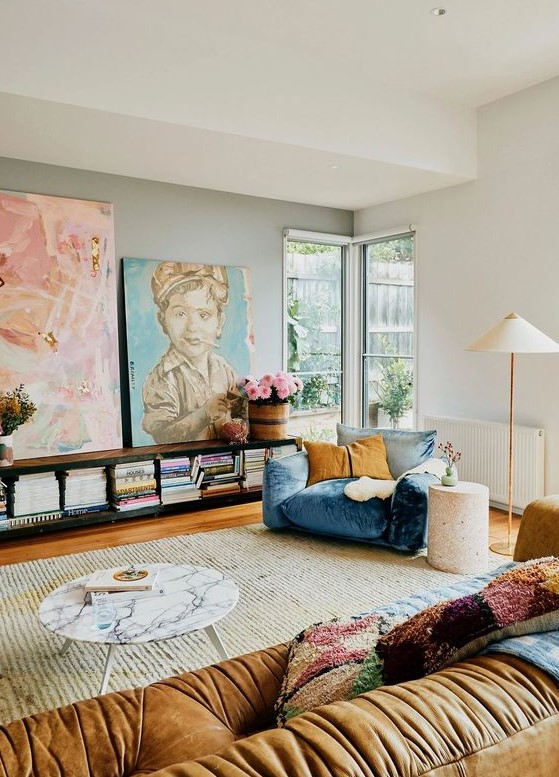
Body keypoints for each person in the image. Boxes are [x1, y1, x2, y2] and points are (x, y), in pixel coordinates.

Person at [142, 262, 245, 443]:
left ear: (219, 323)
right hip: (182, 462)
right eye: (180, 314)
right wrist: (203, 414)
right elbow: (163, 436)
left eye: (203, 315)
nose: (192, 327)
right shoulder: (163, 378)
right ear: (162, 321)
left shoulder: (225, 369)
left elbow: (239, 413)